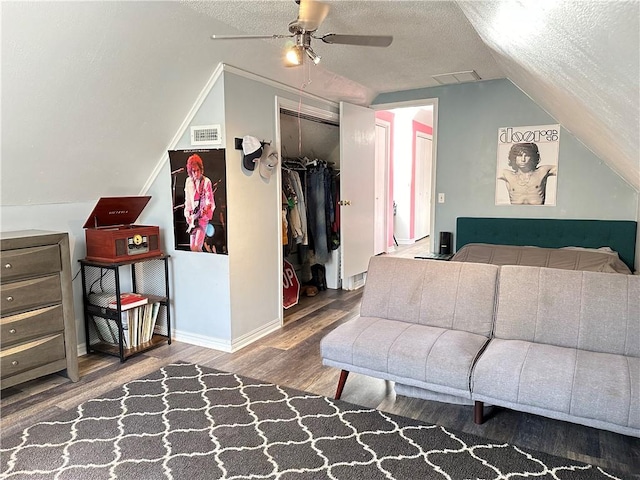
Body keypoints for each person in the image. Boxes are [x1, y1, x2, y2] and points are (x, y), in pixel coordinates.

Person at [184, 154, 214, 252]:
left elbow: (210, 200)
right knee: (192, 246)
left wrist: (207, 208)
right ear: (190, 171)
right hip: (193, 218)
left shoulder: (206, 182)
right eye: (193, 171)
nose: (196, 173)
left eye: (198, 170)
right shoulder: (188, 182)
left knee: (197, 245)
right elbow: (188, 201)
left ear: (201, 169)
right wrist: (187, 215)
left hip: (202, 217)